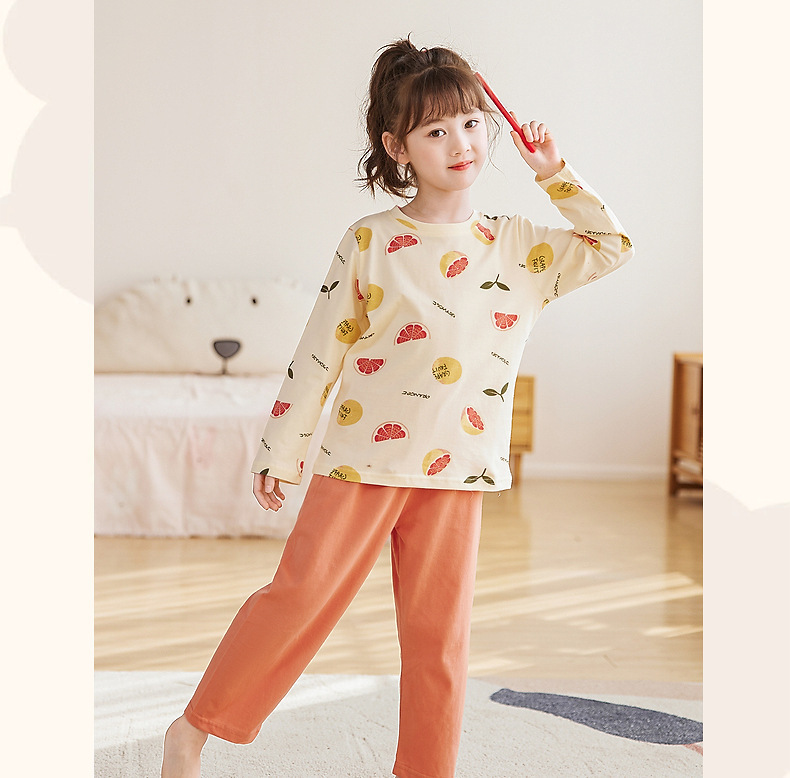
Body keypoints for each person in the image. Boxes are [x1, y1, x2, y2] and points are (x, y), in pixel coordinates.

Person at [161, 36, 634, 778]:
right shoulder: (371, 242)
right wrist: (281, 449)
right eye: (435, 131)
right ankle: (193, 729)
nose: (461, 143)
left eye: (471, 123)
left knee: (439, 642)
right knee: (298, 599)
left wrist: (554, 174)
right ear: (397, 147)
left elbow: (612, 246)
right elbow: (320, 353)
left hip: (457, 471)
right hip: (362, 462)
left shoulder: (520, 248)